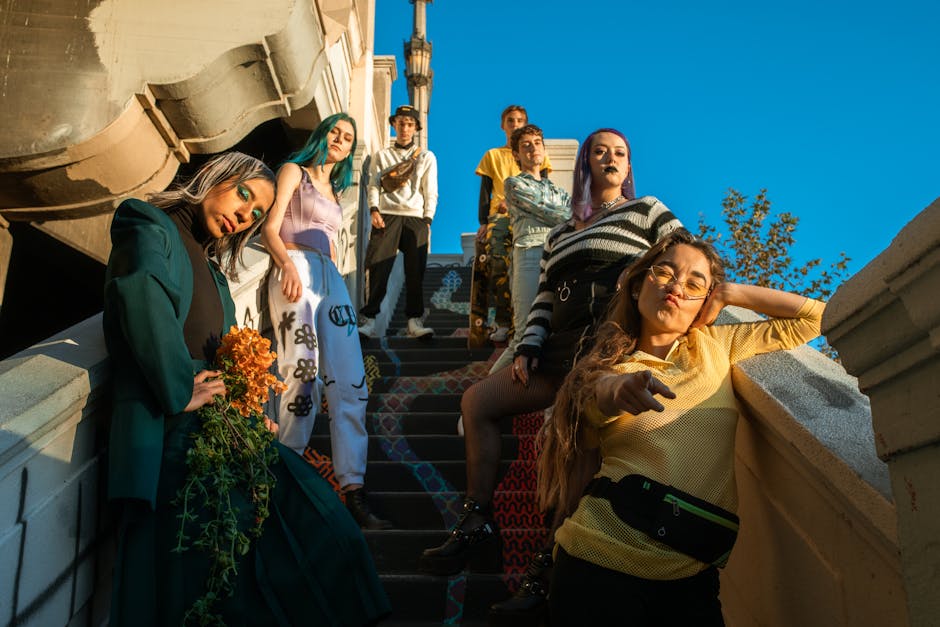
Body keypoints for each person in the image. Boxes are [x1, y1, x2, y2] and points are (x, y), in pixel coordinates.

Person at [103, 152, 390, 626]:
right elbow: (141, 293)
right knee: (197, 580)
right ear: (213, 178)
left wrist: (251, 405)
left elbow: (233, 355)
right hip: (168, 434)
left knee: (325, 524)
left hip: (229, 432)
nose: (245, 217)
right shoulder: (146, 222)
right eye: (243, 196)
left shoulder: (217, 276)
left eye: (257, 215)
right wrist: (179, 389)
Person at [420, 128, 682, 621]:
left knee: (573, 435)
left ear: (628, 168)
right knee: (478, 401)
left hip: (603, 353)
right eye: (599, 152)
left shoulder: (646, 210)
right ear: (583, 165)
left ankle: (548, 566)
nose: (609, 158)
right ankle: (476, 519)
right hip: (554, 353)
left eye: (619, 153)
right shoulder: (562, 232)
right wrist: (527, 346)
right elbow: (543, 296)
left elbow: (687, 259)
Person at [543, 231, 825, 626]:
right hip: (597, 565)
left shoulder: (718, 346)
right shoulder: (606, 371)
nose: (677, 287)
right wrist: (620, 388)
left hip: (690, 577)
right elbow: (596, 401)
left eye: (695, 283)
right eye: (665, 272)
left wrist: (727, 293)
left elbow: (815, 317)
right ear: (639, 285)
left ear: (704, 302)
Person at [261, 113, 392, 530]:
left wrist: (334, 283)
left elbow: (333, 247)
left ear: (351, 149)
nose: (340, 139)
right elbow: (270, 227)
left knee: (351, 381)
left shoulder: (336, 191)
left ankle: (353, 488)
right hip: (294, 266)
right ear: (323, 134)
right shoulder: (292, 171)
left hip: (329, 279)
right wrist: (286, 265)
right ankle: (287, 476)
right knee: (302, 369)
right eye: (335, 131)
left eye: (348, 138)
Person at [488, 123, 571, 374]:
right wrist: (569, 217)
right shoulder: (513, 185)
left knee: (555, 332)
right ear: (516, 155)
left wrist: (570, 218)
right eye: (525, 145)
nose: (533, 149)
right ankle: (477, 404)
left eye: (537, 143)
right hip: (529, 254)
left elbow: (570, 215)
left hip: (558, 256)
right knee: (523, 336)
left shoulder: (559, 191)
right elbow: (561, 215)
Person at [472, 105, 554, 344]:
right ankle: (504, 322)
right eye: (510, 120)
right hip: (500, 218)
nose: (514, 124)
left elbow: (544, 187)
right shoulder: (492, 155)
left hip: (529, 218)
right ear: (503, 125)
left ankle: (530, 320)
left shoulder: (537, 155)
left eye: (519, 120)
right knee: (499, 266)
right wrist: (483, 222)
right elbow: (485, 192)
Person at [358, 104, 438, 339]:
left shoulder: (426, 156)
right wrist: (373, 209)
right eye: (401, 122)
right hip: (386, 214)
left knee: (416, 271)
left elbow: (430, 189)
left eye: (410, 124)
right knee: (379, 266)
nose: (405, 127)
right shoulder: (382, 156)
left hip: (416, 217)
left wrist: (427, 218)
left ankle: (414, 321)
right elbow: (373, 184)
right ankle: (369, 320)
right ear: (394, 124)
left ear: (416, 128)